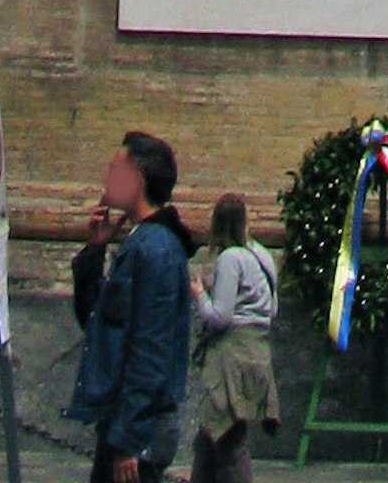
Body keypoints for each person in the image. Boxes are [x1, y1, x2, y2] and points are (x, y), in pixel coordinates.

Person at [68, 132, 192, 483]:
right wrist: (95, 251)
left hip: (139, 432)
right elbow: (98, 321)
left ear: (137, 180)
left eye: (114, 170)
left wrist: (128, 440)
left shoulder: (156, 250)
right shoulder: (139, 243)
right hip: (123, 424)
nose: (107, 180)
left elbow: (150, 350)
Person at [187, 193, 278, 483]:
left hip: (231, 358)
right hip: (257, 353)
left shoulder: (230, 258)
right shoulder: (262, 255)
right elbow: (272, 308)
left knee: (227, 439)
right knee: (210, 438)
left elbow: (220, 317)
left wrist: (200, 295)